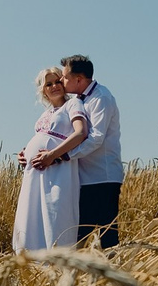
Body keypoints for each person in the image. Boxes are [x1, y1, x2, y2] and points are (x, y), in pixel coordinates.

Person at [30, 53, 122, 248]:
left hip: (102, 177)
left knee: (107, 235)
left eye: (64, 77)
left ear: (78, 79)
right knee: (78, 233)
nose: (61, 81)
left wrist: (60, 156)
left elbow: (95, 139)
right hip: (82, 177)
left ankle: (113, 273)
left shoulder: (101, 98)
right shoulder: (79, 101)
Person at [11, 64, 86, 252]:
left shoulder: (73, 104)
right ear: (43, 91)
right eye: (48, 84)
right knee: (32, 214)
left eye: (57, 81)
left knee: (55, 212)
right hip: (35, 173)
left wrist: (52, 155)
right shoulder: (45, 115)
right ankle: (32, 263)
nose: (54, 86)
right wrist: (25, 153)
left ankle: (57, 261)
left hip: (58, 169)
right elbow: (42, 138)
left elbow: (80, 133)